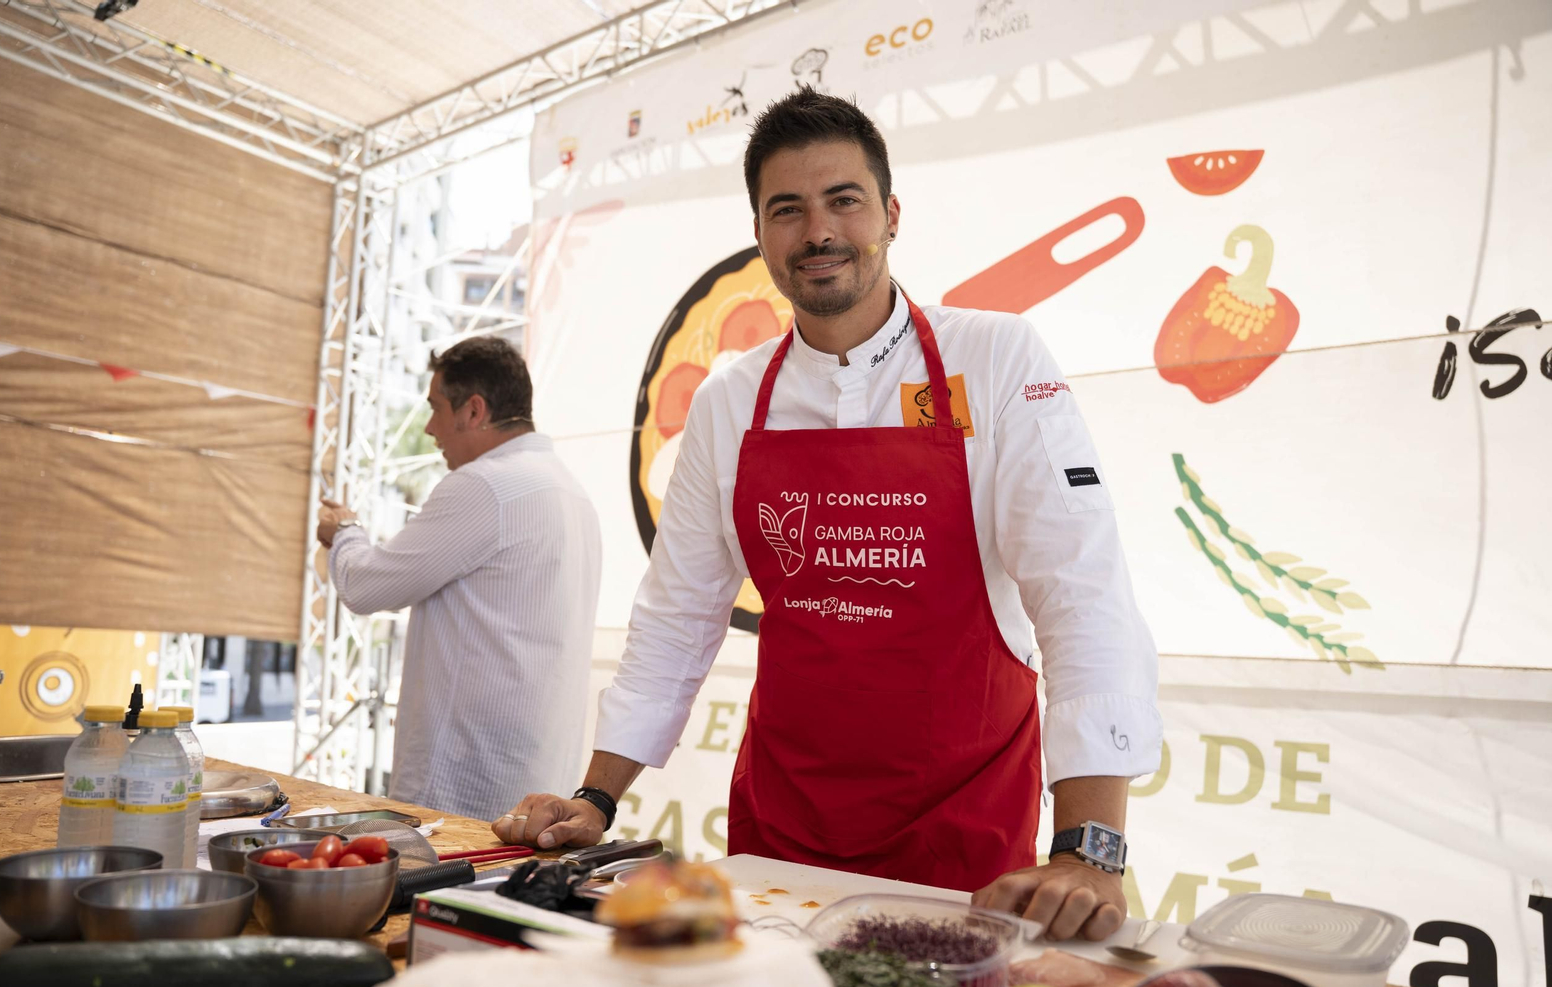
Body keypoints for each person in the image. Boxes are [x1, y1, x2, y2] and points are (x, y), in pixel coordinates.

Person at [494, 89, 1159, 941]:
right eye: (788, 210)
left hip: (962, 824)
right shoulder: (732, 400)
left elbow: (1081, 588)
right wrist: (595, 797)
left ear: (889, 212)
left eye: (843, 200)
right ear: (762, 235)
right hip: (785, 827)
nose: (819, 232)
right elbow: (677, 614)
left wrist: (1090, 850)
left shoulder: (994, 356)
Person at [318, 337, 601, 821]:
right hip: (535, 783)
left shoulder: (485, 485)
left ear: (474, 410)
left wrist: (343, 530)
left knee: (440, 900)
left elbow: (364, 586)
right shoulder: (574, 494)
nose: (429, 429)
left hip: (465, 789)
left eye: (435, 408)